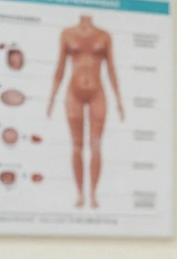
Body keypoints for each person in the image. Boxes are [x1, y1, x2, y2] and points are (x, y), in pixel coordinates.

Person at [47, 15, 124, 209]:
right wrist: (51, 98)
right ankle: (80, 193)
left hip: (97, 91)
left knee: (96, 145)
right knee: (77, 145)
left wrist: (119, 101)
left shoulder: (104, 35)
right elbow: (60, 67)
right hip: (74, 92)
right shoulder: (67, 33)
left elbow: (112, 69)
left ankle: (93, 194)